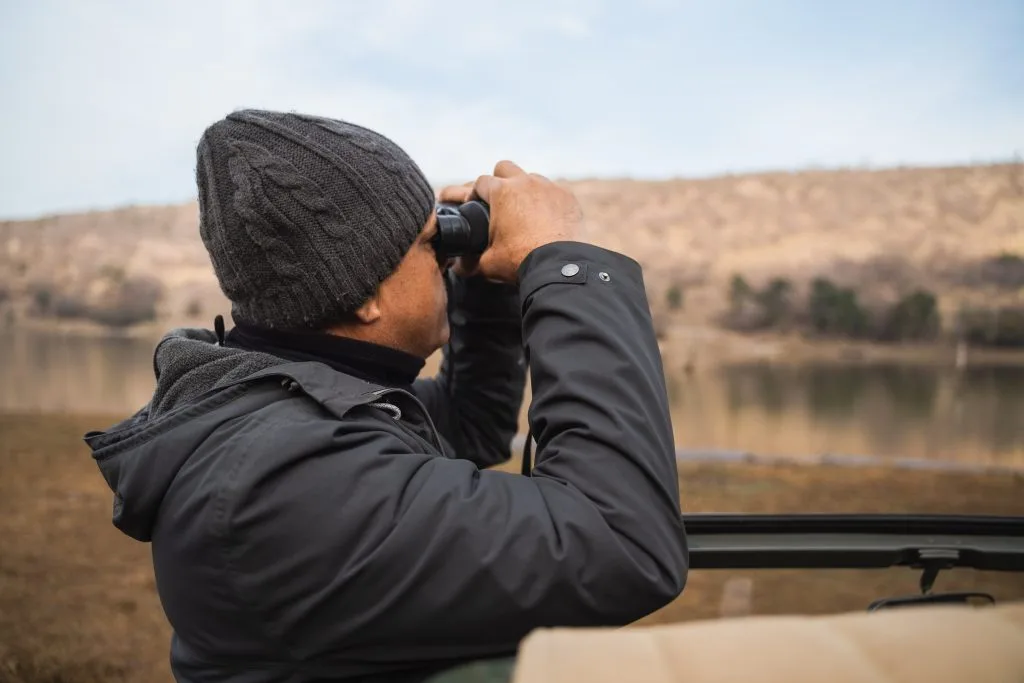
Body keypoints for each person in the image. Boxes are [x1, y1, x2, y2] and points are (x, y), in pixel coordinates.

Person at [85, 109, 687, 683]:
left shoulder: (291, 415)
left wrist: (480, 292)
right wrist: (564, 264)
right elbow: (620, 540)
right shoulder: (282, 485)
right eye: (431, 245)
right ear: (364, 296)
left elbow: (469, 427)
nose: (444, 259)